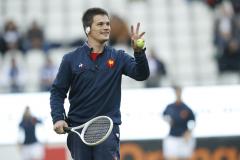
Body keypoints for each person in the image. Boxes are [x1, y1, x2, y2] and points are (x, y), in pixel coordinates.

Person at [50, 7, 149, 160]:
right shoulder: (70, 59)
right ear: (88, 29)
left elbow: (142, 75)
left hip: (107, 129)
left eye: (108, 24)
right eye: (100, 24)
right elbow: (57, 92)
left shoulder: (118, 56)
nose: (107, 27)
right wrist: (58, 118)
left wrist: (139, 52)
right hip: (78, 130)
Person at [162, 86, 196, 160]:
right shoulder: (170, 107)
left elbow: (193, 121)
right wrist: (168, 121)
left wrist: (189, 132)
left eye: (179, 92)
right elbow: (164, 115)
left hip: (183, 138)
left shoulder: (186, 108)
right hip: (173, 136)